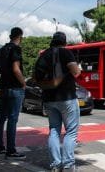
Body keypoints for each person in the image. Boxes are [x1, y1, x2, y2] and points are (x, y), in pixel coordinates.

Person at [39, 32, 81, 172]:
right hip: (67, 97)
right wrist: (78, 69)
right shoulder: (66, 53)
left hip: (49, 98)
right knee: (71, 132)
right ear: (64, 42)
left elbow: (37, 76)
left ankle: (55, 165)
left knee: (54, 131)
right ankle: (68, 165)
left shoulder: (44, 55)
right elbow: (75, 72)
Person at [0, 27, 26, 158]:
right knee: (13, 118)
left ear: (10, 36)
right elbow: (16, 69)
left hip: (4, 87)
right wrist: (23, 83)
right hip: (15, 88)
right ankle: (11, 150)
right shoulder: (16, 49)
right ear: (20, 36)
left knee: (1, 117)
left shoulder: (0, 51)